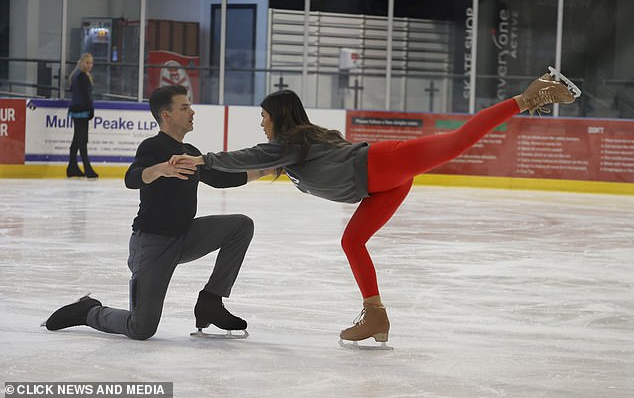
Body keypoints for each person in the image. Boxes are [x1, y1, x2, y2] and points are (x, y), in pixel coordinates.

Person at [169, 69, 580, 346]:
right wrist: (198, 172)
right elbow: (247, 172)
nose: (260, 122)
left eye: (262, 116)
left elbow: (247, 157)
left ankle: (528, 97)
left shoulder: (290, 143)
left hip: (383, 164)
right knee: (352, 242)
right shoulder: (292, 153)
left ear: (277, 117)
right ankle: (375, 316)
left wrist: (203, 158)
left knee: (456, 142)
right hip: (379, 189)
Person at [44, 84, 270, 340]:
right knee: (141, 328)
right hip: (152, 244)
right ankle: (89, 311)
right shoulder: (152, 147)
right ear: (167, 115)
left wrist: (269, 170)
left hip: (184, 237)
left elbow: (222, 179)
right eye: (185, 107)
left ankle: (211, 301)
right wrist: (160, 170)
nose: (192, 112)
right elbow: (132, 178)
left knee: (241, 226)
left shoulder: (191, 153)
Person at [67, 53, 98, 178]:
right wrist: (90, 109)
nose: (89, 65)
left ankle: (72, 167)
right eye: (87, 62)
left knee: (77, 140)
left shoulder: (75, 75)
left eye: (91, 63)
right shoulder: (82, 76)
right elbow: (86, 96)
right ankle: (87, 168)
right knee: (82, 140)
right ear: (81, 63)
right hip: (82, 110)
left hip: (77, 109)